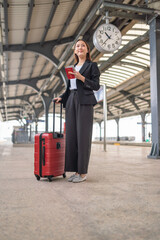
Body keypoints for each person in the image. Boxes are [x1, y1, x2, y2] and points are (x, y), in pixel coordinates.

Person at [54, 39, 100, 183]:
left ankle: (83, 173)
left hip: (84, 102)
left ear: (87, 50)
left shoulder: (92, 66)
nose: (80, 47)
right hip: (71, 100)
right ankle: (75, 171)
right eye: (77, 46)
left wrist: (81, 77)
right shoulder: (72, 67)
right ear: (75, 51)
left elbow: (96, 86)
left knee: (83, 137)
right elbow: (70, 88)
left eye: (83, 45)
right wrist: (62, 97)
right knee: (72, 137)